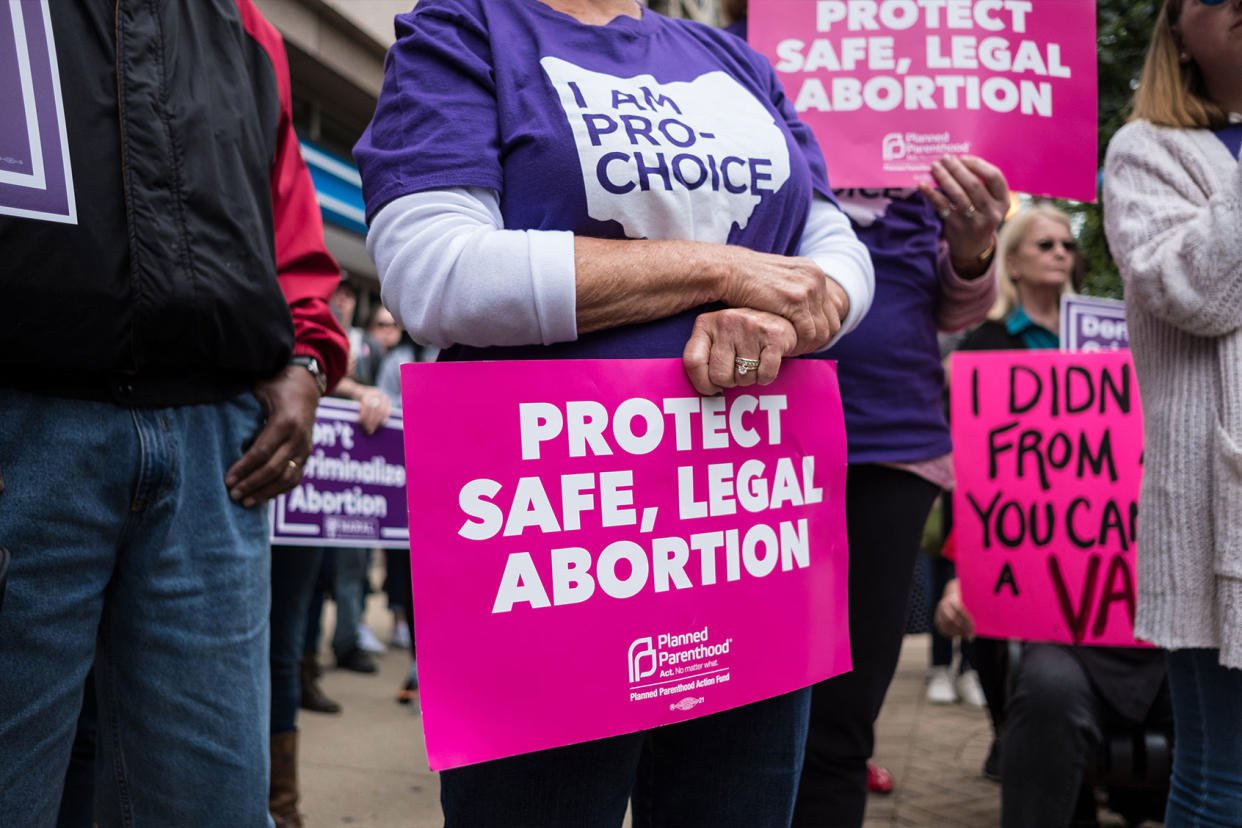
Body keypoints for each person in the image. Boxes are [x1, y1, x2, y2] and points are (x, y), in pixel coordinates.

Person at [354, 0, 875, 823]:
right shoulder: (466, 29)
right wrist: (726, 271)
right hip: (557, 535)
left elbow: (834, 247)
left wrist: (795, 315)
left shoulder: (733, 58)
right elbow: (435, 271)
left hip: (749, 529)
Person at [0, 3, 349, 826]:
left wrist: (307, 361)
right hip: (25, 439)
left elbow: (287, 230)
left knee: (213, 803)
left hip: (214, 462)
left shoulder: (244, 26)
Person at [946, 205, 1173, 828]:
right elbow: (975, 483)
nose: (1061, 253)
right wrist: (963, 572)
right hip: (1051, 605)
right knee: (1046, 690)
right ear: (1010, 260)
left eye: (1067, 245)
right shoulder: (986, 348)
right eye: (1043, 243)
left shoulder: (1116, 337)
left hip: (1145, 587)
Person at [1102, 0, 1242, 823]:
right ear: (1175, 34)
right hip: (1218, 511)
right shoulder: (1146, 152)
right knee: (1225, 776)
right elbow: (1194, 290)